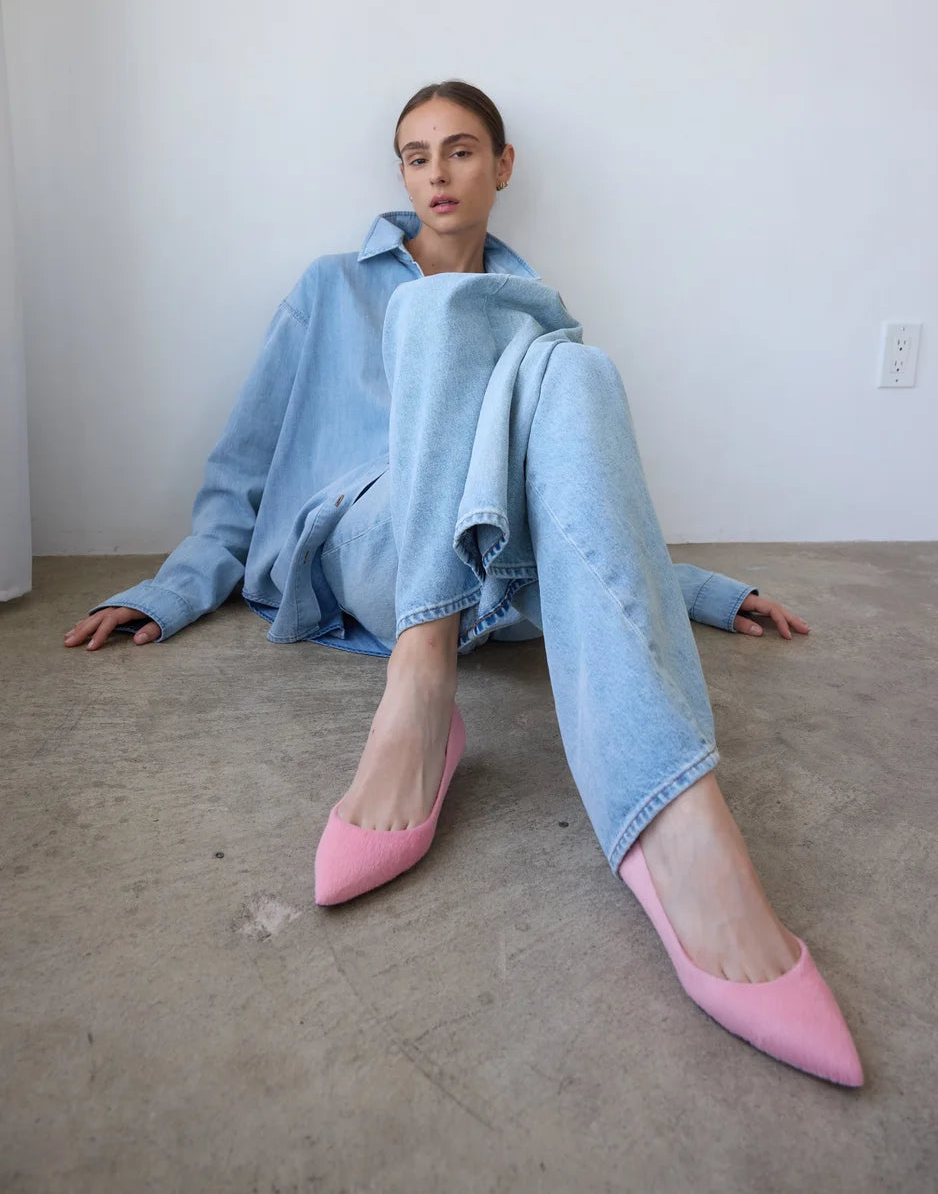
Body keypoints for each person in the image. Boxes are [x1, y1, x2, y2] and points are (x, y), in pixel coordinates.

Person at [63, 81, 863, 1087]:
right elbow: (242, 468)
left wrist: (698, 588)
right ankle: (420, 678)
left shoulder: (534, 308)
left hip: (495, 563)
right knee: (450, 318)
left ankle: (679, 818)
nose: (437, 173)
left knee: (577, 372)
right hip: (369, 536)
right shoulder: (331, 288)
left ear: (502, 164)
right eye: (416, 154)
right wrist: (175, 588)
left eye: (461, 150)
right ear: (400, 173)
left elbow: (569, 510)